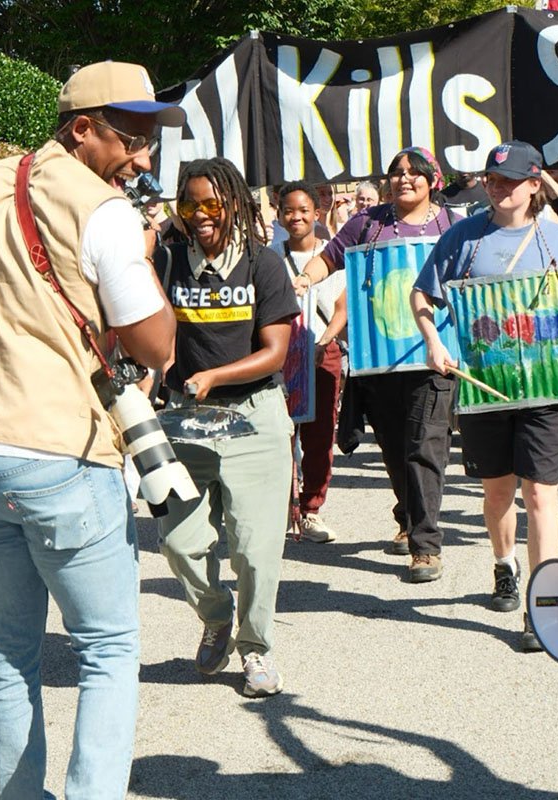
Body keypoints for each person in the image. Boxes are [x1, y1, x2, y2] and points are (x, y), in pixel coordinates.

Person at [0, 62, 178, 799]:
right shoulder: (104, 209)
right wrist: (145, 256)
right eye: (133, 137)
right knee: (108, 647)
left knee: (5, 651)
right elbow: (156, 345)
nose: (143, 156)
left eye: (151, 139)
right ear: (82, 128)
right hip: (54, 444)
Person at [410, 141, 558, 650]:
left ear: (535, 184)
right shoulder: (463, 238)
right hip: (485, 389)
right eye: (492, 179)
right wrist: (433, 342)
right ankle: (504, 564)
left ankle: (543, 604)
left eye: (510, 180)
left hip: (547, 388)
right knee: (497, 493)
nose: (498, 187)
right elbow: (422, 294)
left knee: (540, 494)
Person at [156, 157, 298, 698]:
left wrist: (214, 375)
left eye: (211, 204)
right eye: (188, 204)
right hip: (186, 420)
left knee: (255, 551)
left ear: (235, 204)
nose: (200, 215)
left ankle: (255, 648)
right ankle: (216, 617)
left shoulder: (264, 264)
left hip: (254, 417)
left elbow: (275, 352)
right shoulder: (168, 261)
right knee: (178, 543)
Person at [294, 146, 459, 583]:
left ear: (433, 180)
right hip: (379, 360)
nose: (404, 178)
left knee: (425, 447)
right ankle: (408, 516)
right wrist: (305, 278)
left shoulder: (452, 225)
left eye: (414, 172)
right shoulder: (367, 224)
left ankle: (425, 547)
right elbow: (328, 258)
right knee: (394, 447)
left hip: (432, 358)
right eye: (397, 172)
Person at [270, 181, 347, 543]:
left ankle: (311, 509)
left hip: (322, 351)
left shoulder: (332, 256)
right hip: (279, 355)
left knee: (319, 435)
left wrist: (325, 341)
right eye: (289, 211)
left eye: (304, 210)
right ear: (279, 215)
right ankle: (283, 510)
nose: (296, 217)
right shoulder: (270, 257)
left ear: (317, 213)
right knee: (279, 434)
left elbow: (342, 309)